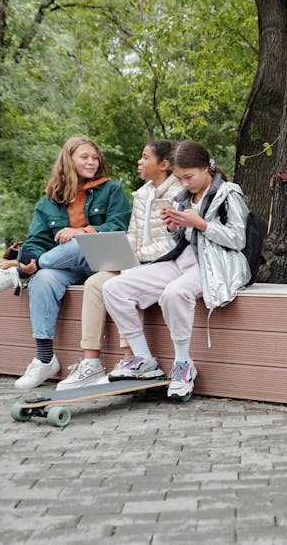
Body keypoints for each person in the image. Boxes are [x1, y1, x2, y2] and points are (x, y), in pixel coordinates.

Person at [102, 141, 251, 398]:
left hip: (213, 266)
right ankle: (144, 360)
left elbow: (239, 240)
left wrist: (201, 224)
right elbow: (179, 241)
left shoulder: (229, 193)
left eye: (189, 177)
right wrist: (173, 228)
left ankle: (183, 365)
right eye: (180, 178)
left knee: (174, 293)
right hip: (180, 261)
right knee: (114, 287)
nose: (184, 184)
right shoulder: (183, 197)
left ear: (206, 168)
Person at [0, 136, 132, 389]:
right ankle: (44, 360)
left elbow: (119, 226)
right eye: (84, 157)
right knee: (42, 278)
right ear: (68, 160)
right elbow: (37, 238)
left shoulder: (111, 190)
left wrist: (83, 231)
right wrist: (30, 259)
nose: (92, 162)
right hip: (66, 266)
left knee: (77, 242)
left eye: (95, 157)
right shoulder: (51, 198)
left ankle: (19, 272)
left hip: (102, 262)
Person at [55, 140, 181, 390]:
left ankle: (131, 359)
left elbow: (173, 243)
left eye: (145, 157)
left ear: (164, 165)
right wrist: (128, 254)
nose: (139, 162)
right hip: (137, 261)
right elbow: (133, 233)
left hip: (163, 263)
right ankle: (91, 363)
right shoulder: (143, 193)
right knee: (94, 283)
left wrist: (137, 259)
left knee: (126, 281)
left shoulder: (179, 193)